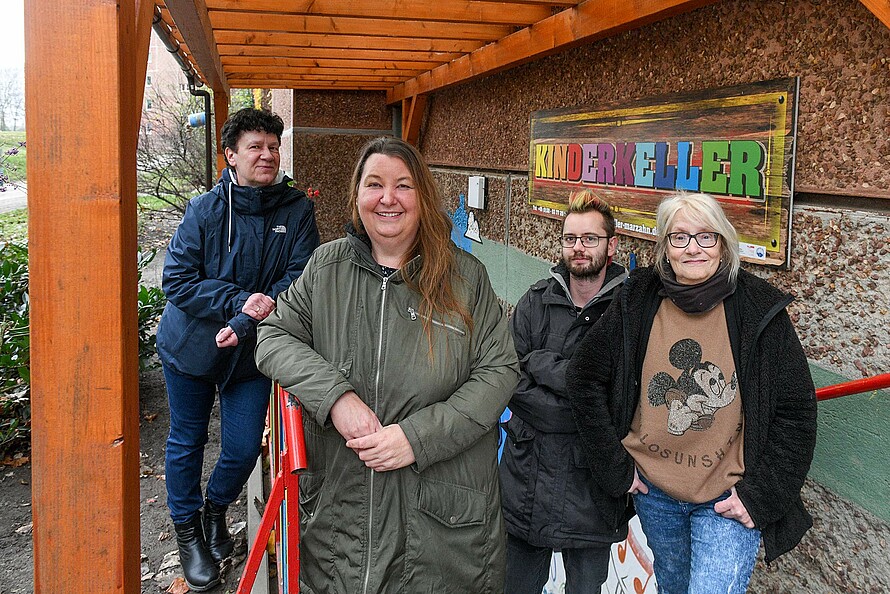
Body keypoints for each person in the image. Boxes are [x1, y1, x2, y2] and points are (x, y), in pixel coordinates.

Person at [255, 136, 520, 593]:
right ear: (357, 196)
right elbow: (273, 336)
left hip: (438, 521)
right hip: (344, 513)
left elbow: (499, 372)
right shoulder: (326, 268)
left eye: (403, 185)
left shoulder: (466, 277)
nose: (388, 198)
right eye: (374, 184)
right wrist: (336, 397)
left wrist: (416, 438)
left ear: (423, 196)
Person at [567, 193, 817, 594]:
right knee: (673, 586)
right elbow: (583, 377)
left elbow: (795, 412)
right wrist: (616, 466)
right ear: (665, 247)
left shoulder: (758, 309)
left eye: (706, 236)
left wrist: (760, 496)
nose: (693, 248)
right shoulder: (638, 299)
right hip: (656, 493)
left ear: (724, 243)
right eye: (680, 237)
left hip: (726, 499)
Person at [156, 108, 320, 591]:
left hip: (250, 353)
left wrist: (247, 319)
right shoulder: (205, 210)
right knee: (187, 441)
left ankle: (214, 509)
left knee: (245, 447)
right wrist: (236, 302)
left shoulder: (295, 209)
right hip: (191, 349)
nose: (267, 155)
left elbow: (300, 277)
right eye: (256, 146)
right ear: (231, 155)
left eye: (273, 146)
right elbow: (178, 281)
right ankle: (188, 532)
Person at [499, 189, 628, 593]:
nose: (579, 248)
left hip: (593, 493)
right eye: (571, 238)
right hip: (526, 483)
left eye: (590, 238)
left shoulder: (630, 310)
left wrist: (540, 363)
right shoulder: (536, 300)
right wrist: (580, 394)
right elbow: (505, 376)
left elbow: (620, 396)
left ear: (612, 244)